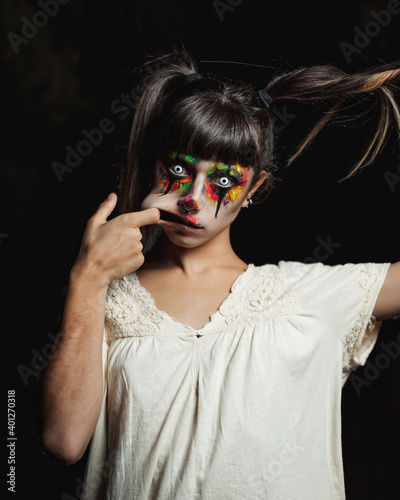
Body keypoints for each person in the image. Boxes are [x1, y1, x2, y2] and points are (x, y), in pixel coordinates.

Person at [40, 49, 400, 499]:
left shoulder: (307, 297)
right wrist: (88, 275)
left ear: (255, 189)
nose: (192, 198)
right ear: (155, 164)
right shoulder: (105, 302)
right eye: (177, 170)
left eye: (223, 181)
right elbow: (62, 441)